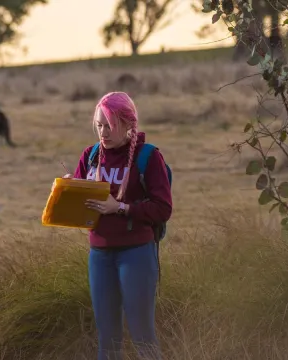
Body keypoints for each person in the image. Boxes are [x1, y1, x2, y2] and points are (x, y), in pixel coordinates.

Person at [60, 91, 173, 360]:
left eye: (109, 125)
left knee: (142, 334)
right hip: (99, 255)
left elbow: (163, 209)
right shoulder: (90, 155)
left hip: (136, 254)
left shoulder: (148, 157)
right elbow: (80, 212)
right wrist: (70, 190)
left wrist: (120, 208)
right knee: (107, 338)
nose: (103, 132)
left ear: (127, 123)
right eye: (99, 125)